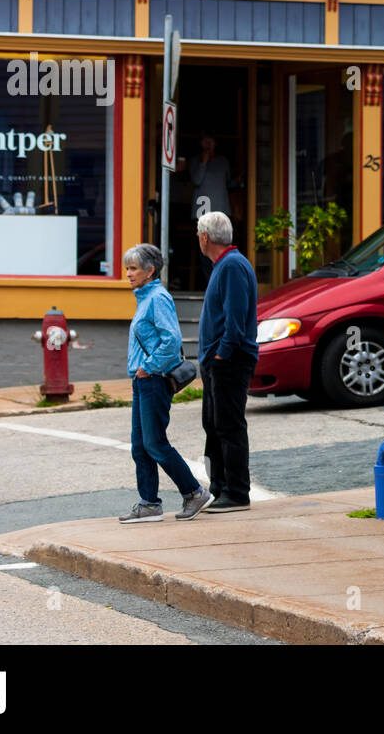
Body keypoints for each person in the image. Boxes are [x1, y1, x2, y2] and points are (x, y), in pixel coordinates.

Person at [119, 243, 214, 523]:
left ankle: (194, 493)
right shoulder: (145, 297)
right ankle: (149, 504)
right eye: (127, 268)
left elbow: (172, 340)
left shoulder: (158, 298)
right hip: (143, 381)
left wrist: (147, 369)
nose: (128, 273)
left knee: (155, 443)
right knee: (140, 445)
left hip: (154, 380)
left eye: (133, 268)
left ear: (150, 271)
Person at [196, 212, 260, 512]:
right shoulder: (226, 265)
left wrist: (222, 353)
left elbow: (235, 318)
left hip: (229, 360)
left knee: (229, 425)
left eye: (199, 234)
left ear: (205, 237)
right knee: (214, 424)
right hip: (218, 360)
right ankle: (219, 487)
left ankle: (236, 492)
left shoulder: (232, 266)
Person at [186, 134, 232, 284]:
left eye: (210, 141)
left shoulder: (223, 161)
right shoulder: (195, 161)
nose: (207, 145)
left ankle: (222, 280)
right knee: (205, 248)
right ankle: (210, 282)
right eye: (204, 141)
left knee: (222, 246)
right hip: (202, 209)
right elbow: (197, 180)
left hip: (221, 209)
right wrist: (203, 163)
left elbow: (228, 182)